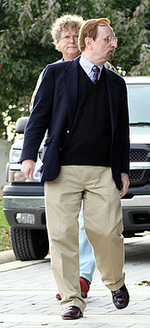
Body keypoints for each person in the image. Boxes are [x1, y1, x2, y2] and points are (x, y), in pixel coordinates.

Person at [20, 18, 130, 320]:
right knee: (61, 236)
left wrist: (123, 170)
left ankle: (115, 281)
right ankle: (71, 299)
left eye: (113, 38)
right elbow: (38, 116)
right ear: (89, 42)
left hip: (102, 170)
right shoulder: (56, 74)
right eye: (108, 39)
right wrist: (28, 155)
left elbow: (122, 132)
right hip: (61, 169)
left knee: (106, 231)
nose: (114, 44)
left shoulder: (116, 83)